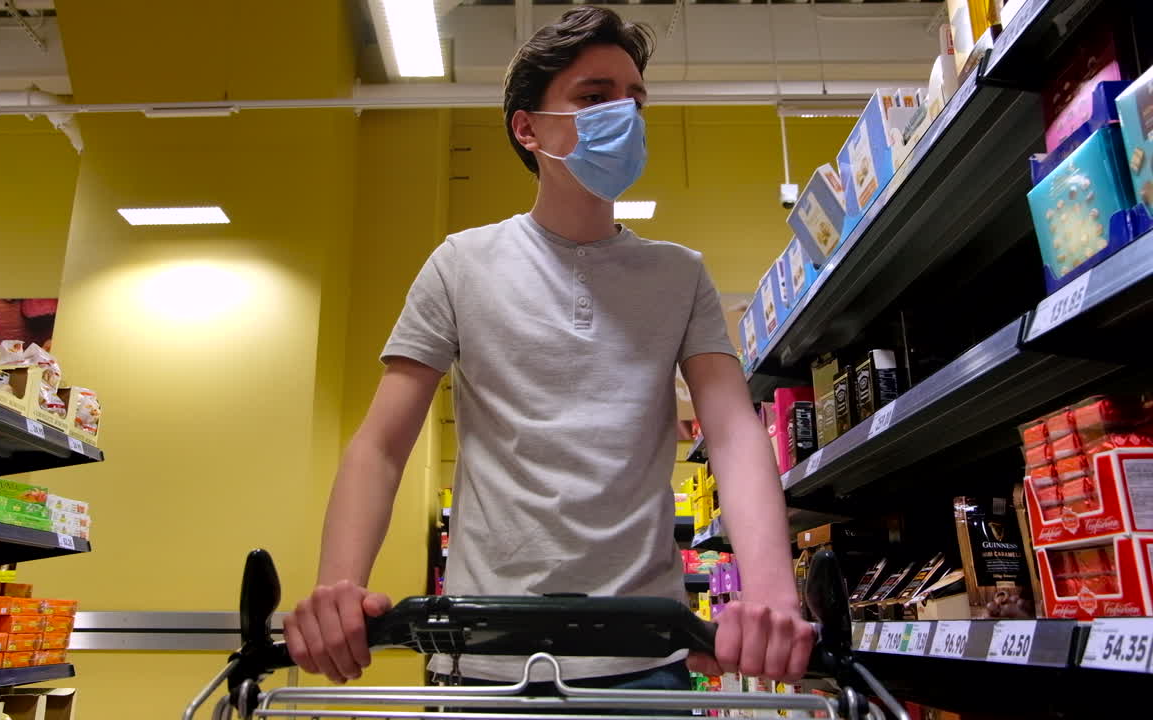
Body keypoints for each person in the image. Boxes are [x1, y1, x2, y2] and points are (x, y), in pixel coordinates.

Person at [282, 5, 813, 691]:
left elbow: (736, 433)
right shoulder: (459, 265)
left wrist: (771, 590)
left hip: (644, 655)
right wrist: (338, 587)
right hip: (485, 653)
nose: (622, 114)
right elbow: (382, 447)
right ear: (527, 128)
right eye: (594, 97)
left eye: (634, 99)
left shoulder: (681, 275)